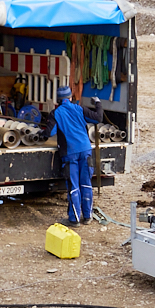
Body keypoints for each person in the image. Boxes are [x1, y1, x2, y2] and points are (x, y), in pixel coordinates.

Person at [49, 86, 103, 226]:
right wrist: (98, 103)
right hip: (85, 150)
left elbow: (50, 132)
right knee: (86, 183)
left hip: (70, 154)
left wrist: (39, 134)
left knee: (74, 186)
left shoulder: (56, 113)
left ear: (57, 100)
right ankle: (87, 216)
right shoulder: (80, 109)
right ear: (70, 98)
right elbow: (98, 119)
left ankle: (74, 219)